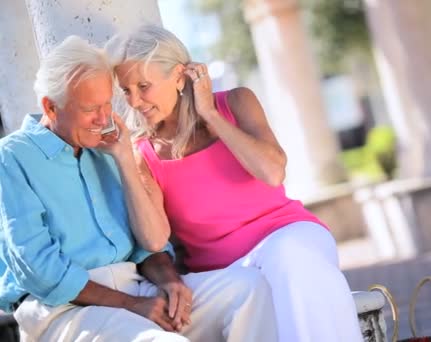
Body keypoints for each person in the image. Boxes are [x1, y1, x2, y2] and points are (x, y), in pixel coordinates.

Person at [0, 35, 278, 342]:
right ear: (51, 108)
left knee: (246, 290)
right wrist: (133, 304)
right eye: (91, 108)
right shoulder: (12, 158)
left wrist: (170, 283)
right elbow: (39, 267)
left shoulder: (108, 148)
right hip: (63, 309)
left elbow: (147, 245)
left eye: (108, 104)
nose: (104, 119)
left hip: (135, 286)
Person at [106, 25, 363, 342]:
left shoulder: (236, 103)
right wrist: (125, 161)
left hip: (289, 236)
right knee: (269, 286)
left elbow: (273, 173)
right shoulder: (144, 154)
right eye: (126, 90)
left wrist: (211, 115)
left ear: (178, 76)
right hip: (227, 275)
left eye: (143, 86)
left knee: (289, 257)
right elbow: (155, 240)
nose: (134, 101)